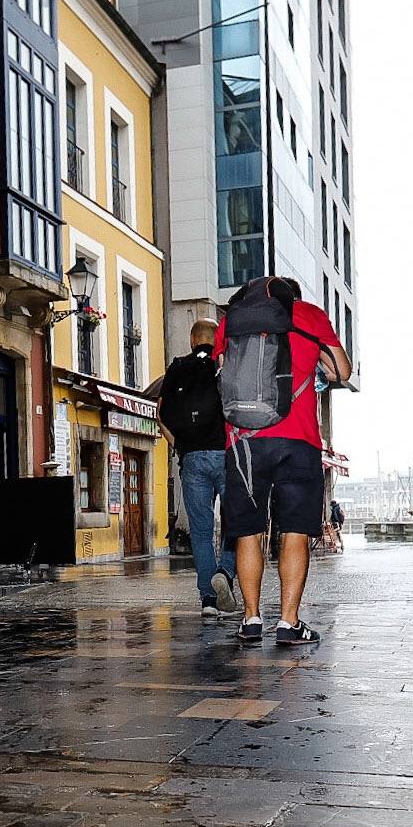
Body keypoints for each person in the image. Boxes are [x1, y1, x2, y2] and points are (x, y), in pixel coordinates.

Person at [215, 277, 352, 646]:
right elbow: (343, 371)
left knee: (247, 532)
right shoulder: (310, 315)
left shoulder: (232, 320)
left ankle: (251, 619)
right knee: (294, 530)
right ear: (295, 295)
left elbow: (224, 370)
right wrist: (318, 354)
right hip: (298, 439)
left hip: (243, 440)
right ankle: (289, 623)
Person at [159, 319, 238, 617]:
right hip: (226, 455)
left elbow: (161, 414)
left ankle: (207, 600)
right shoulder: (223, 365)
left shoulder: (178, 367)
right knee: (234, 524)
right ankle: (225, 574)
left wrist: (180, 446)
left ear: (192, 340)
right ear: (215, 339)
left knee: (202, 533)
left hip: (191, 458)